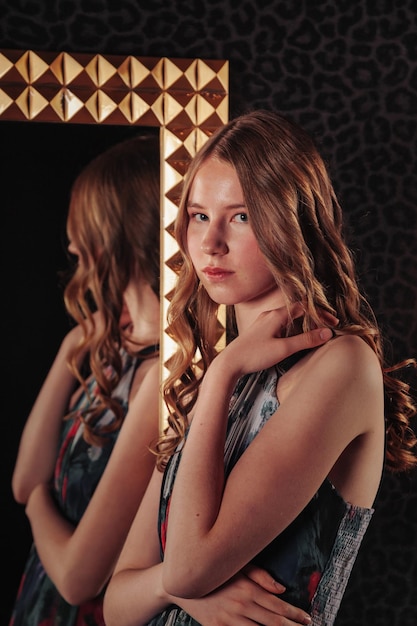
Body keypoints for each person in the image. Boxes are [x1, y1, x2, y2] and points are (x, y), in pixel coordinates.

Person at [103, 109, 417, 626]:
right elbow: (117, 603)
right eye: (199, 215)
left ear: (294, 222)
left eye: (241, 215)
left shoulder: (340, 366)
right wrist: (174, 590)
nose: (210, 243)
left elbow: (186, 570)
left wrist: (224, 373)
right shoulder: (210, 384)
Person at [9, 133, 162, 626]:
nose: (72, 243)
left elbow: (79, 576)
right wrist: (75, 342)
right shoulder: (98, 343)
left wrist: (37, 505)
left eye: (85, 229)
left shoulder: (161, 374)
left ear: (121, 236)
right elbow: (22, 479)